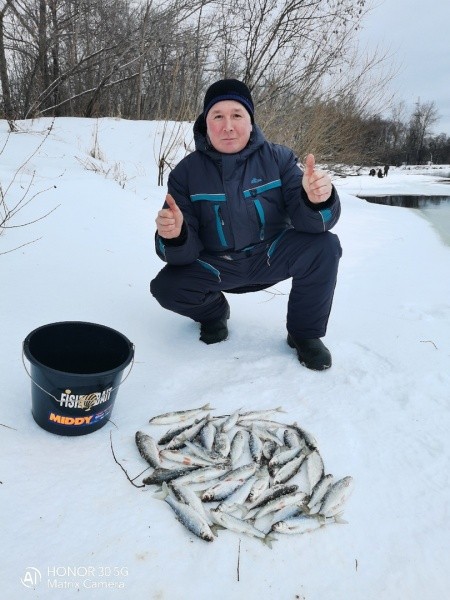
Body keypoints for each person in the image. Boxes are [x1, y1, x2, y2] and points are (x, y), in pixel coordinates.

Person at [150, 79, 342, 370]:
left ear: (250, 122)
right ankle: (213, 313)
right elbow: (182, 255)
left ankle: (304, 334)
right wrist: (174, 236)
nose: (228, 126)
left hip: (270, 256)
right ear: (205, 124)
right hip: (219, 266)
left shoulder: (280, 159)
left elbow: (313, 225)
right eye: (218, 116)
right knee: (167, 287)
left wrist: (318, 200)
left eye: (237, 115)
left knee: (324, 246)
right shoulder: (185, 174)